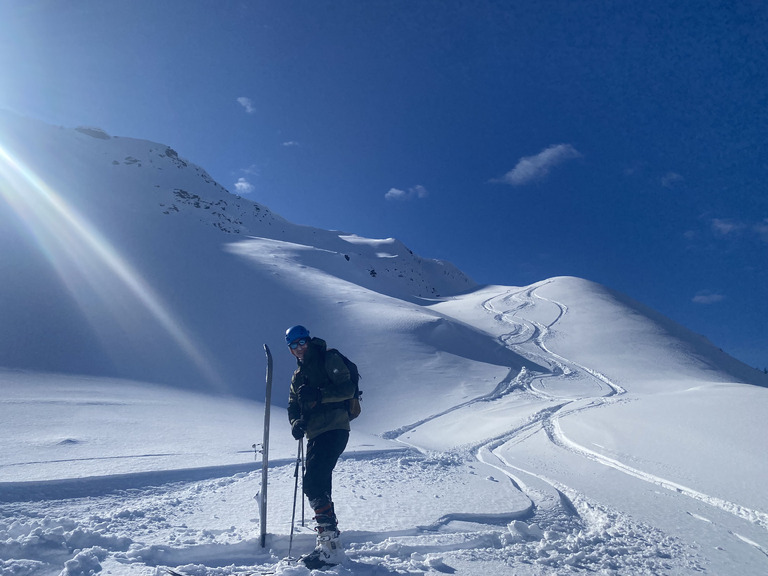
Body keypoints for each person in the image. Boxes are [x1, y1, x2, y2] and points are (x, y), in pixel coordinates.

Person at [285, 325, 355, 568]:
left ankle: (330, 546)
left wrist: (319, 395)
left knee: (313, 481)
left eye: (301, 342)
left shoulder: (329, 358)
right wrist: (296, 423)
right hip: (315, 433)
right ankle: (329, 545)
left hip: (335, 427)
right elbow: (293, 405)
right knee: (319, 484)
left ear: (308, 340)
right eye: (293, 346)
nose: (299, 348)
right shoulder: (298, 376)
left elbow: (348, 389)